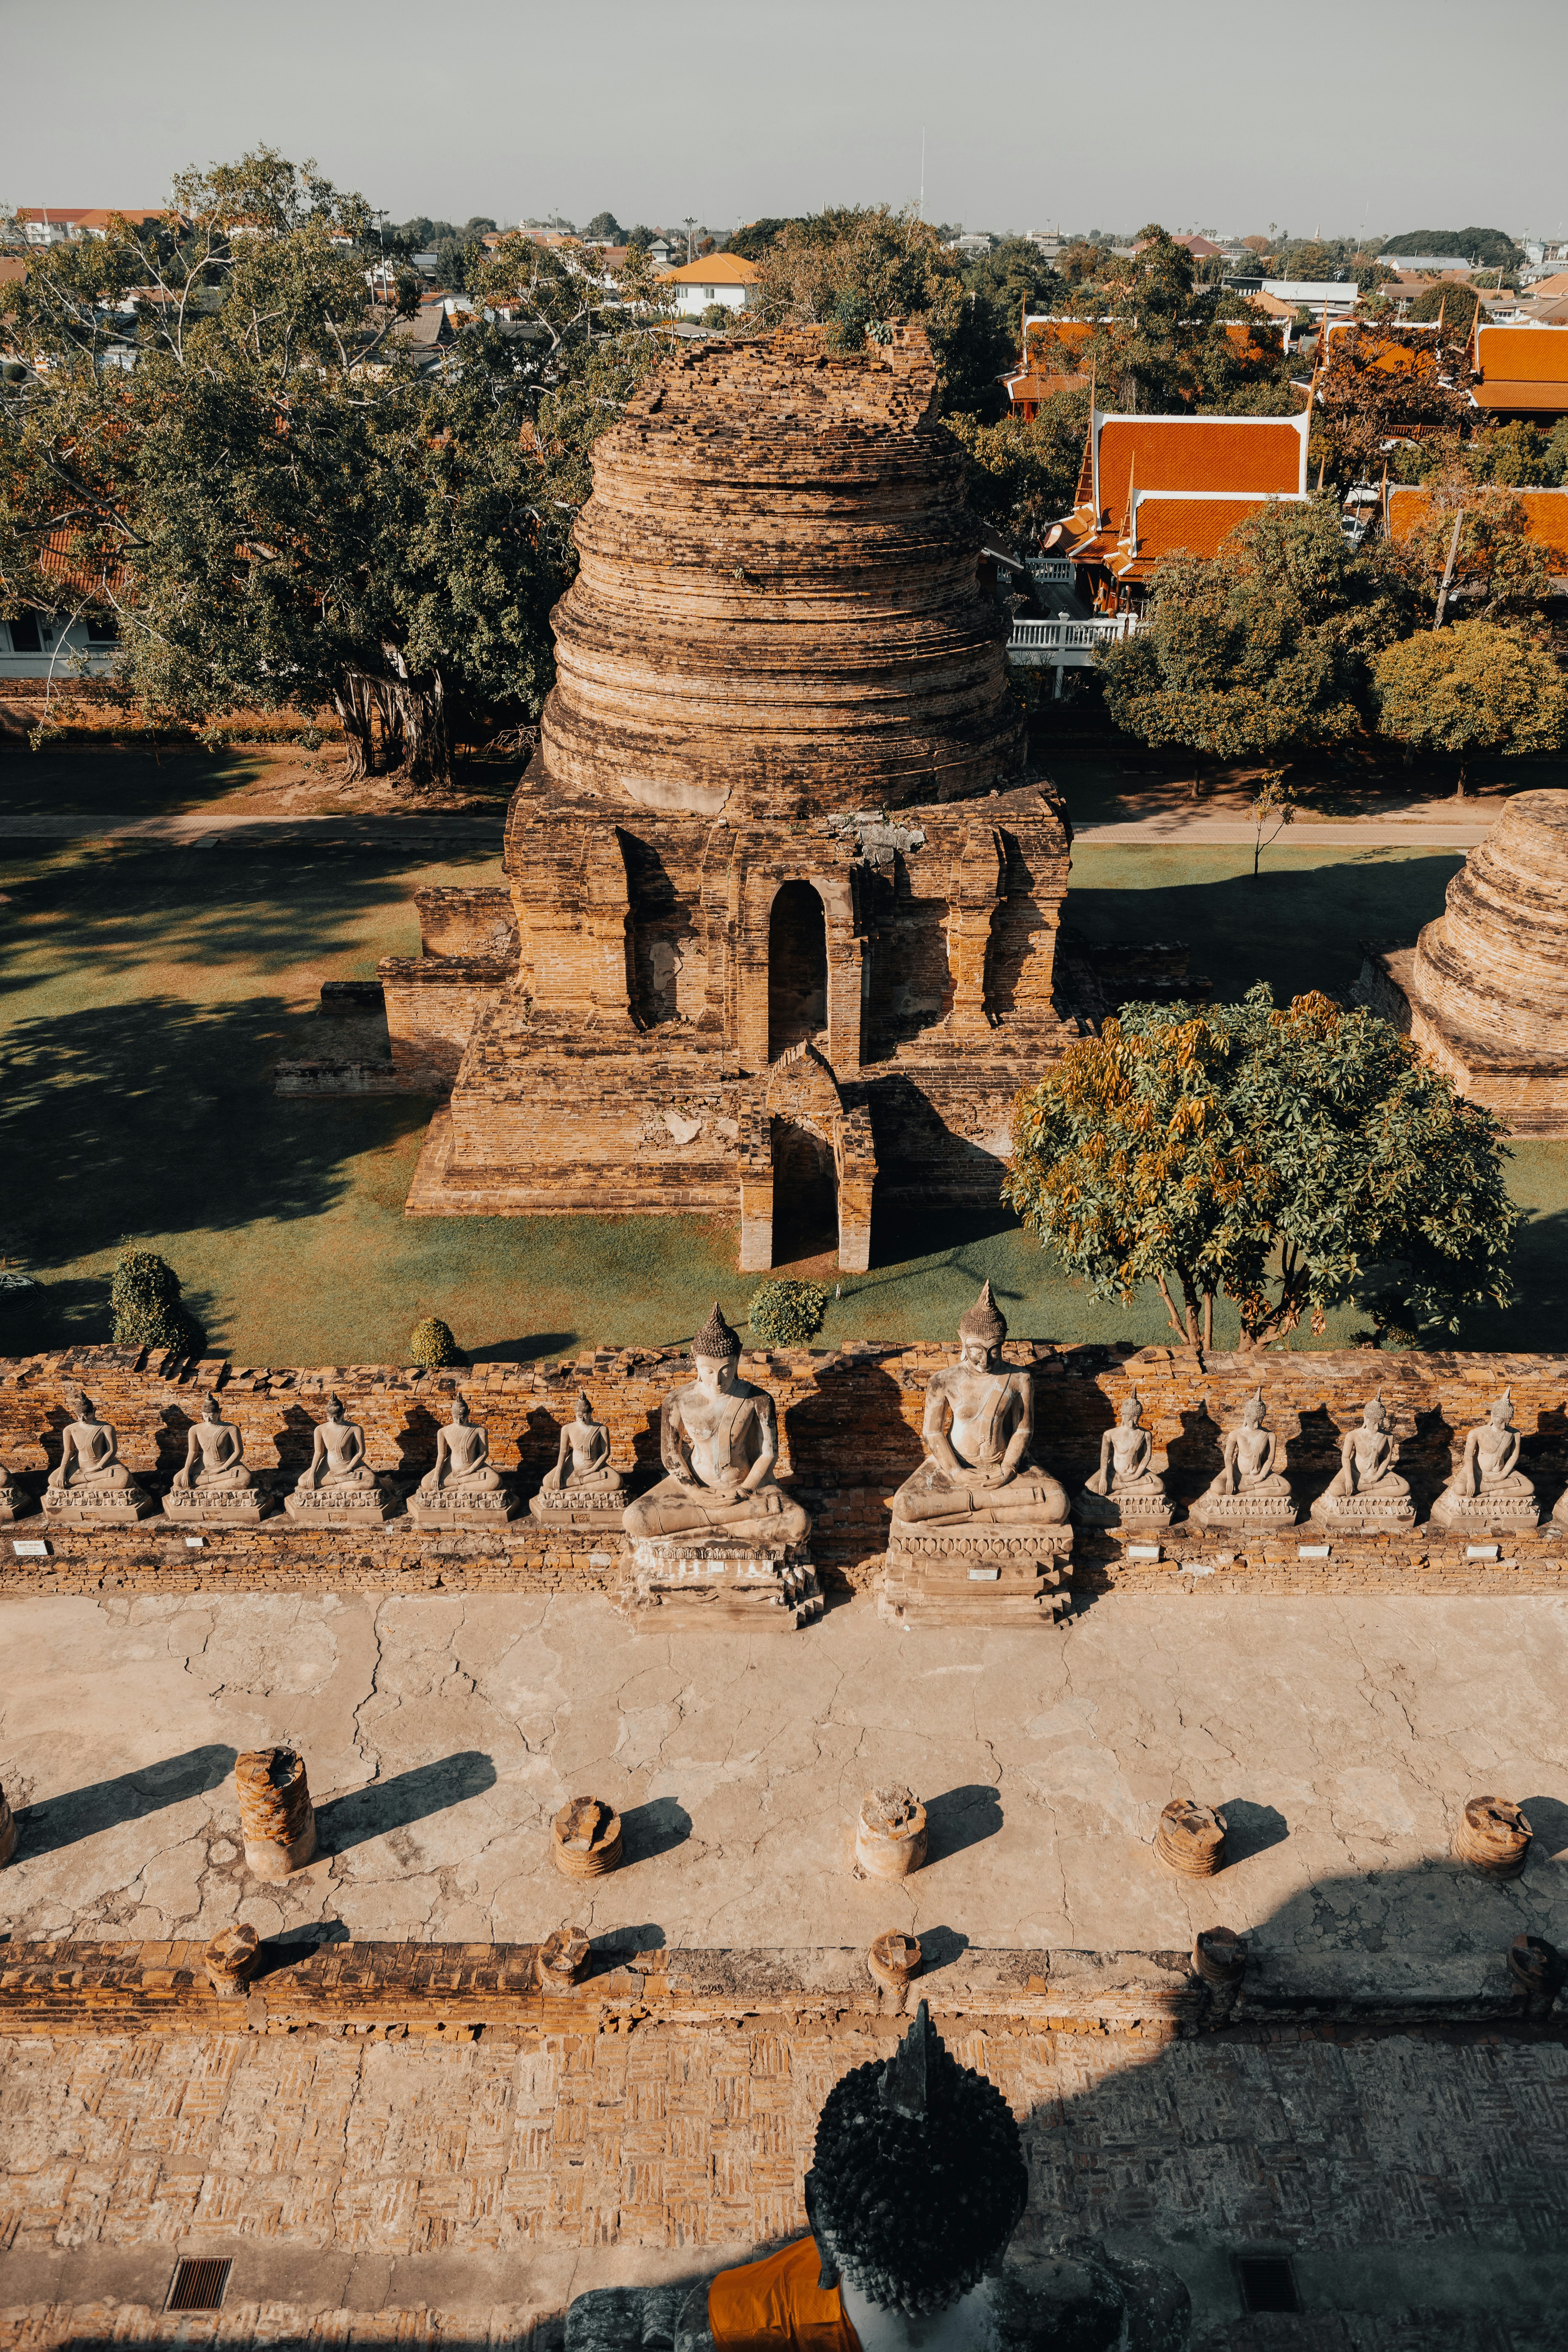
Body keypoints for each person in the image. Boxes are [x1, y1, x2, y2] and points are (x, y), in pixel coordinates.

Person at [562, 2004, 1189, 2352]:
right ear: (1001, 2235)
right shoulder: (1097, 2316)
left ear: (820, 2220)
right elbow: (1156, 2303)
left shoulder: (730, 2324)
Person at [622, 1302, 809, 1546]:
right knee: (635, 1518)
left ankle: (697, 1527)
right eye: (708, 1371)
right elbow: (671, 1454)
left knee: (798, 1523)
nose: (717, 1380)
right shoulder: (677, 1401)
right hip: (696, 1489)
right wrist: (695, 1492)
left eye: (726, 1370)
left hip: (745, 1489)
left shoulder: (759, 1400)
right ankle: (730, 1522)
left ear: (738, 1357)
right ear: (695, 1360)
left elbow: (768, 1454)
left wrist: (744, 1491)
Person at [889, 1284, 1067, 1532]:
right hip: (955, 1466)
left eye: (994, 1350)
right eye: (977, 1350)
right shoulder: (943, 1381)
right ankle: (990, 1510)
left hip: (1003, 1467)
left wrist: (1008, 1468)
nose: (985, 1359)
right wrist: (956, 1472)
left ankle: (968, 1513)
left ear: (1002, 1344)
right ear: (963, 1341)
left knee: (1058, 1503)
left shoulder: (1019, 1379)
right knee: (905, 1505)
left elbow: (1023, 1431)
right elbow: (932, 1433)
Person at [171, 1395, 254, 1490]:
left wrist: (223, 1468)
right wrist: (186, 1472)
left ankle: (203, 1485)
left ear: (219, 1412)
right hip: (204, 1465)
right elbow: (193, 1452)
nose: (209, 1420)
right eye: (206, 1416)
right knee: (178, 1480)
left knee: (246, 1481)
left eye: (212, 1416)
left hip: (226, 1464)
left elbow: (238, 1452)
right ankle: (215, 1480)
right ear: (202, 1414)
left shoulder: (231, 1429)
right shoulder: (195, 1430)